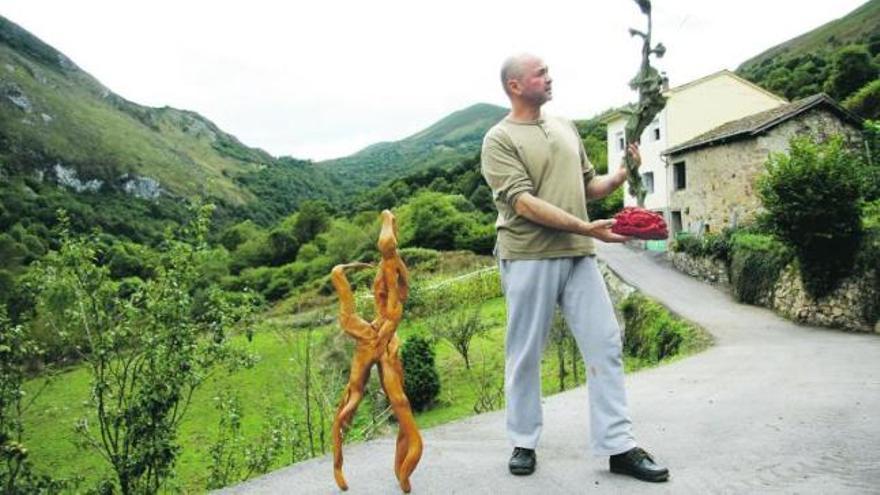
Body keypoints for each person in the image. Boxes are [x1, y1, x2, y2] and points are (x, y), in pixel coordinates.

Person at [480, 53, 669, 482]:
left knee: (605, 343)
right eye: (540, 73)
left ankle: (618, 446)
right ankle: (523, 441)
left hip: (579, 252)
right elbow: (523, 202)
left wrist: (622, 175)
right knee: (526, 354)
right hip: (528, 255)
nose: (549, 77)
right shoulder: (499, 138)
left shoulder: (565, 127)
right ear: (515, 85)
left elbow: (588, 187)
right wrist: (586, 226)